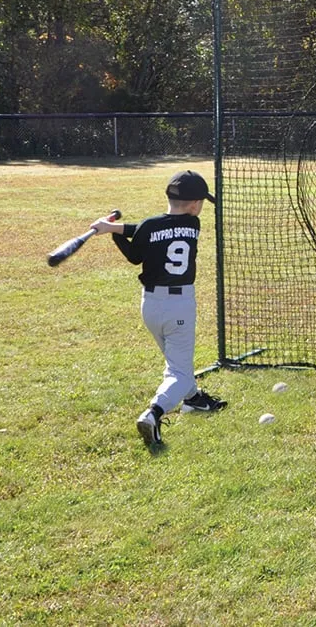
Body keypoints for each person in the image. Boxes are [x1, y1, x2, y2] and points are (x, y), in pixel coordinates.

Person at [90, 169, 227, 447]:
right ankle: (154, 412)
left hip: (151, 307)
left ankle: (193, 399)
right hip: (179, 305)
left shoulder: (151, 227)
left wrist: (112, 231)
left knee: (177, 364)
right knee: (179, 371)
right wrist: (114, 229)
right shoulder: (194, 224)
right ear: (193, 205)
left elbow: (136, 250)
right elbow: (151, 230)